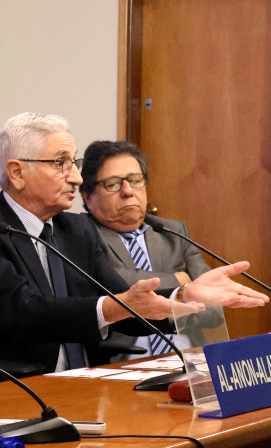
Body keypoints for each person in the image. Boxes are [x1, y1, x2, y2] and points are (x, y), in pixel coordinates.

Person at [0, 112, 267, 390]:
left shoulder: (75, 230)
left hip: (88, 386)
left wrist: (181, 298)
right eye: (60, 164)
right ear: (16, 172)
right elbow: (25, 314)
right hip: (13, 393)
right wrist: (117, 306)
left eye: (75, 163)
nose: (77, 177)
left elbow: (123, 302)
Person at [80, 139, 212, 357]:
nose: (127, 191)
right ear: (87, 196)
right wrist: (181, 283)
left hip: (189, 359)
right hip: (123, 363)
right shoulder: (82, 234)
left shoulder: (173, 232)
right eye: (113, 184)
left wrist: (172, 308)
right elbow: (119, 284)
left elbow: (213, 304)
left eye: (135, 180)